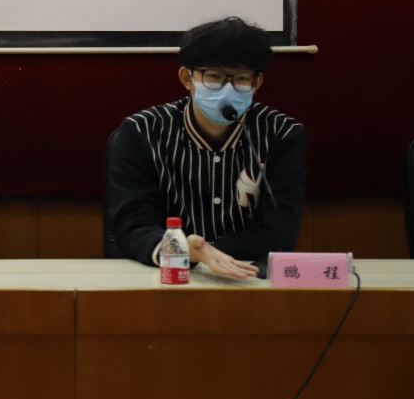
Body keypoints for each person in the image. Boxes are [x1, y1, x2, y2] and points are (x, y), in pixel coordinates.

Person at [107, 16, 305, 278]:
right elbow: (132, 225)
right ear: (187, 78)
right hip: (162, 275)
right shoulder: (142, 131)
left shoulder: (282, 134)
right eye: (214, 76)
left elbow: (279, 230)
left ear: (256, 83)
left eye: (241, 78)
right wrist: (184, 252)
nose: (227, 88)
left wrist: (205, 251)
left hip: (246, 276)